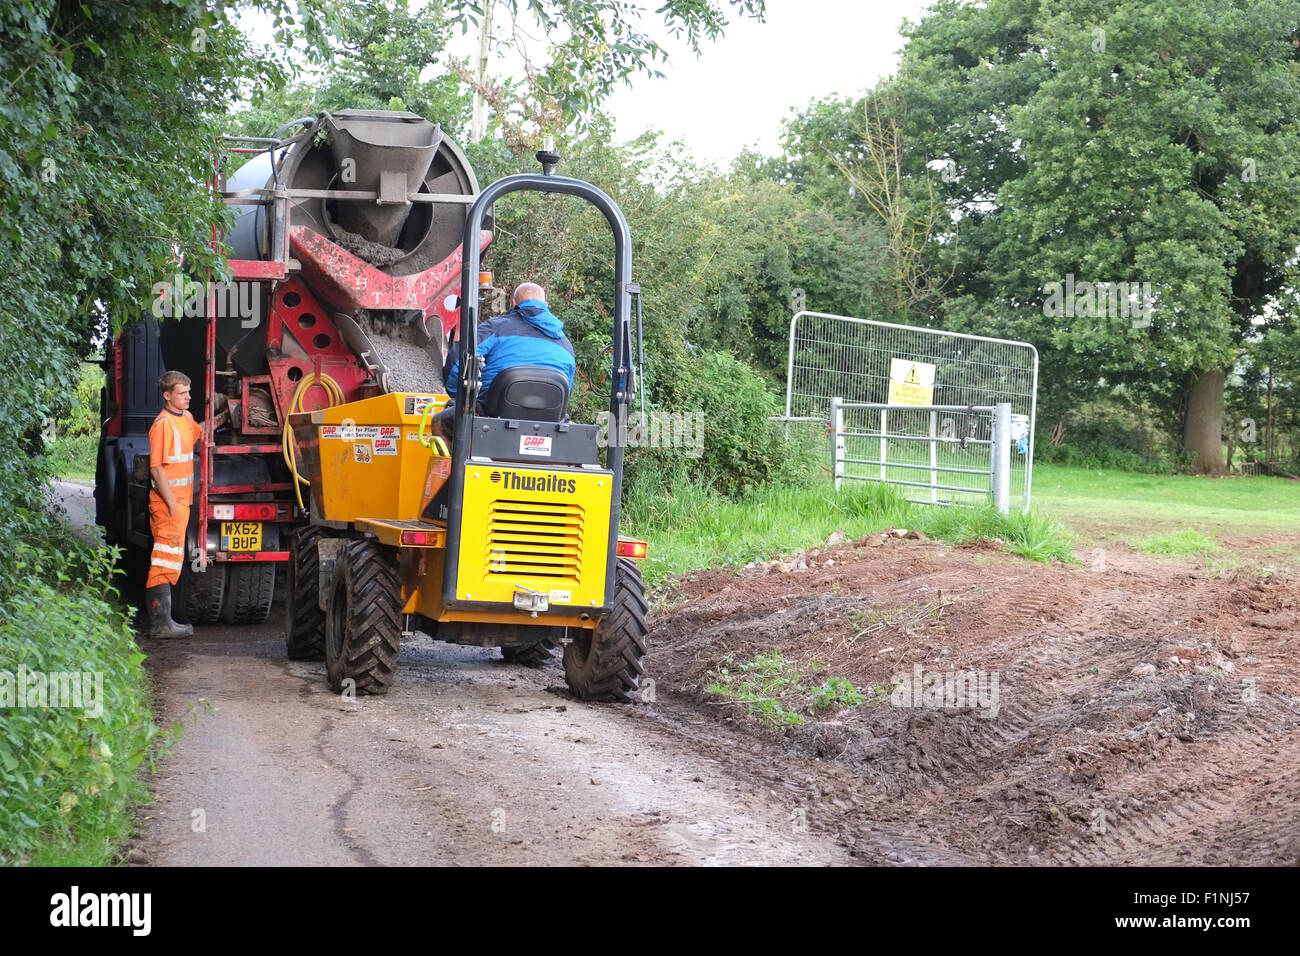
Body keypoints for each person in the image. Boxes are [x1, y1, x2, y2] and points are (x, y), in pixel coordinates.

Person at [445, 282, 576, 411]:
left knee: (440, 422)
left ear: (514, 303)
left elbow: (458, 362)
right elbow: (566, 392)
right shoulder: (566, 345)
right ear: (546, 305)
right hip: (547, 421)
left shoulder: (495, 328)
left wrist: (456, 395)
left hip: (491, 414)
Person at [145, 371, 203, 639]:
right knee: (163, 561)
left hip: (181, 504)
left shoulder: (187, 419)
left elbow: (200, 432)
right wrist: (171, 504)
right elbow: (156, 468)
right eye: (182, 393)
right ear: (167, 396)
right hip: (169, 505)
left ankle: (166, 622)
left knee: (172, 560)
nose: (188, 397)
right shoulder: (162, 425)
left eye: (189, 392)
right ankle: (160, 625)